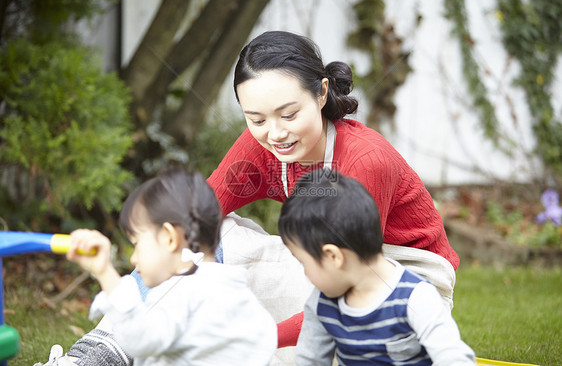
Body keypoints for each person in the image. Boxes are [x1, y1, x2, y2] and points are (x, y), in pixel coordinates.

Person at [207, 30, 459, 347]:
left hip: (397, 284)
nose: (275, 134)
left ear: (321, 93)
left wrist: (263, 337)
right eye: (256, 120)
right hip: (325, 267)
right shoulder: (262, 148)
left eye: (289, 114)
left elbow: (352, 284)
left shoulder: (366, 162)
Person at [62, 168, 277, 365]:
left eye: (137, 245)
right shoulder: (238, 293)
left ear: (169, 237)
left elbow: (139, 339)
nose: (133, 259)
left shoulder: (186, 296)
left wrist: (105, 272)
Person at [278, 168, 476, 365]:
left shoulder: (414, 297)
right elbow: (310, 361)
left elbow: (454, 358)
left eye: (304, 263)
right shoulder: (321, 304)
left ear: (333, 256)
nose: (306, 274)